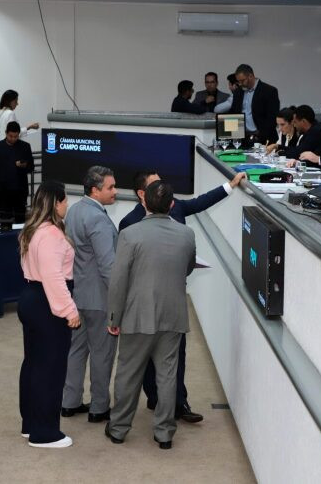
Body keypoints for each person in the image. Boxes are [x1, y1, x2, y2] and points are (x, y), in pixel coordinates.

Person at [119, 169, 245, 422]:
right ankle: (155, 398)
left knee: (177, 355)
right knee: (146, 358)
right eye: (156, 184)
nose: (163, 188)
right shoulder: (129, 224)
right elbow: (123, 270)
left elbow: (200, 203)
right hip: (143, 303)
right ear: (142, 193)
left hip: (173, 300)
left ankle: (179, 404)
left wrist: (230, 185)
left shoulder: (174, 207)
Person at [105, 180, 196, 450]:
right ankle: (164, 433)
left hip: (137, 316)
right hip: (173, 316)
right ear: (172, 204)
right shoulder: (186, 234)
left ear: (144, 201)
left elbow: (118, 281)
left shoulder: (129, 234)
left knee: (128, 374)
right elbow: (188, 267)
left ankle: (119, 429)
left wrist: (114, 318)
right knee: (167, 375)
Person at [17, 180, 81, 448]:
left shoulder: (33, 230)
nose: (67, 205)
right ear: (56, 203)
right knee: (50, 369)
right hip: (47, 304)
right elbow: (53, 277)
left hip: (32, 298)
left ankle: (31, 424)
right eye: (65, 200)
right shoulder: (52, 234)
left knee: (34, 364)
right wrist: (69, 310)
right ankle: (44, 433)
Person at [61, 166, 119, 423]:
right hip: (100, 299)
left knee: (76, 350)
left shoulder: (74, 210)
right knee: (101, 354)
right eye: (110, 187)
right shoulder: (98, 219)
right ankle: (99, 407)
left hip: (77, 296)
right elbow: (108, 266)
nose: (115, 191)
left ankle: (69, 402)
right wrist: (118, 299)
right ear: (95, 190)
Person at [0, 121, 34, 222]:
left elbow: (31, 167)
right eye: (10, 136)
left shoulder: (25, 146)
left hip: (20, 191)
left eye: (16, 136)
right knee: (4, 221)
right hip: (3, 191)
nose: (13, 139)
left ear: (19, 134)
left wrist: (24, 165)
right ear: (6, 133)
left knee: (20, 221)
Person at [228, 64, 280, 144]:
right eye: (238, 81)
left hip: (264, 138)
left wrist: (261, 135)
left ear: (250, 76)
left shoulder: (269, 91)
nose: (240, 84)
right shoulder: (238, 92)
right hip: (243, 139)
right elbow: (234, 113)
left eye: (242, 81)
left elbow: (272, 118)